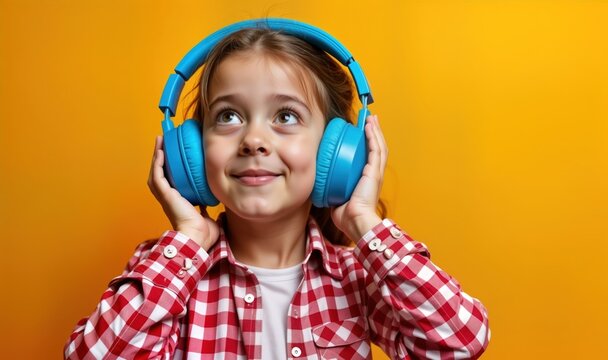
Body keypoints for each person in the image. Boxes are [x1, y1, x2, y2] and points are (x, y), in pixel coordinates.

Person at [64, 19, 490, 359]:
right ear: (189, 151)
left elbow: (457, 343)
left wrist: (365, 224)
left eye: (286, 116)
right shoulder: (170, 271)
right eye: (228, 116)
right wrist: (189, 241)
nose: (253, 139)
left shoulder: (358, 277)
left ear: (337, 149)